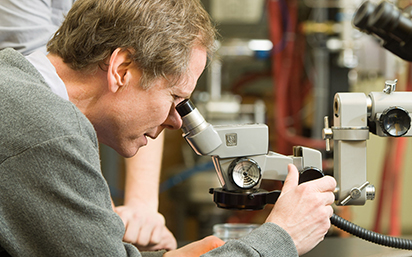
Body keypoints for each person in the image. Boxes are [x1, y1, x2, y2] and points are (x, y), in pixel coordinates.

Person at [0, 0, 336, 256]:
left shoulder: (19, 90)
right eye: (175, 97)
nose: (177, 121)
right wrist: (281, 237)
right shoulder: (49, 132)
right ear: (122, 69)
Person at [0, 0, 176, 251]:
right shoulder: (46, 122)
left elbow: (146, 80)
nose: (177, 122)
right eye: (176, 99)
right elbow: (42, 102)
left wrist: (142, 207)